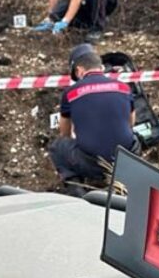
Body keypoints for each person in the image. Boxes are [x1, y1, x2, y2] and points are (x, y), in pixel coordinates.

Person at [48, 44, 137, 195]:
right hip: (125, 158)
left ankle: (76, 190)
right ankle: (130, 184)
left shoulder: (71, 93)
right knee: (135, 138)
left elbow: (65, 132)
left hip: (92, 164)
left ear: (79, 70)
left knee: (58, 147)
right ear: (101, 67)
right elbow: (131, 122)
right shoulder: (124, 87)